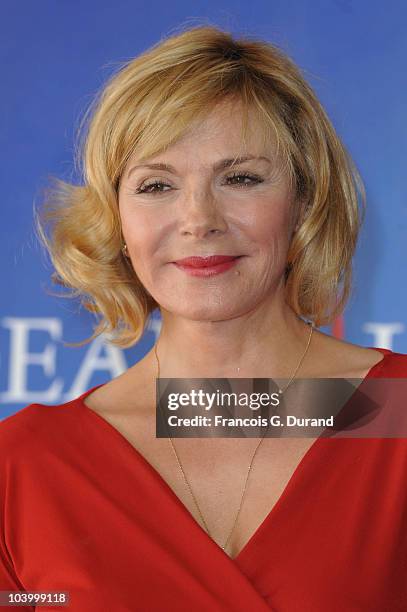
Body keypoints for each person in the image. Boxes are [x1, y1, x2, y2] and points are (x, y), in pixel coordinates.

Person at [1, 24, 406, 612]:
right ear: (115, 220)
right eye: (156, 185)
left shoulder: (396, 417)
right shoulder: (25, 468)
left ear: (306, 203)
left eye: (240, 178)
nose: (198, 219)